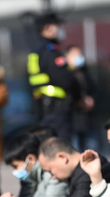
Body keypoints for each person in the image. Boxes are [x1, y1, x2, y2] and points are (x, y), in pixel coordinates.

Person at [27, 12, 81, 141]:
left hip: (43, 108)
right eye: (57, 25)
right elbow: (65, 80)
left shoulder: (36, 52)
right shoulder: (51, 53)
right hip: (57, 109)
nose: (61, 29)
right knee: (62, 148)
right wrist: (79, 97)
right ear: (47, 29)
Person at [0, 133, 68, 197]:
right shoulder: (34, 176)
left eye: (15, 166)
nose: (15, 171)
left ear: (31, 159)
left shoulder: (51, 175)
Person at [65, 45, 96, 152]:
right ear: (67, 56)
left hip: (86, 120)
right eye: (75, 55)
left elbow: (93, 90)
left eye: (80, 54)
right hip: (71, 121)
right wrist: (78, 101)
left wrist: (91, 100)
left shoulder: (85, 73)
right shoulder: (64, 74)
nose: (79, 57)